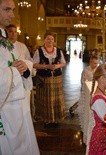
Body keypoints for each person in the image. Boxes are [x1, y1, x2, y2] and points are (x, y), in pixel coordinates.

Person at [0, 0, 40, 154]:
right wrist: (16, 71)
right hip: (5, 110)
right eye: (7, 10)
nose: (12, 15)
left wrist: (24, 67)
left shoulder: (3, 37)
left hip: (17, 107)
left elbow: (14, 62)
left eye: (13, 10)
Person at [33, 32, 66, 127]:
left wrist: (56, 66)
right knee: (45, 99)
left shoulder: (58, 51)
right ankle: (46, 119)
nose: (50, 41)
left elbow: (63, 63)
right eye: (48, 39)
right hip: (44, 79)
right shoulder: (39, 51)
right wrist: (47, 66)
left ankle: (56, 118)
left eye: (52, 39)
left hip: (56, 79)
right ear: (44, 40)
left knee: (56, 99)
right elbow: (34, 64)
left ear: (54, 40)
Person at [76, 55, 99, 143]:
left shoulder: (98, 69)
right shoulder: (86, 70)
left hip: (96, 89)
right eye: (94, 63)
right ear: (90, 62)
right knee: (86, 107)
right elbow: (83, 81)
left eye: (96, 63)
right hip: (87, 90)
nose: (95, 65)